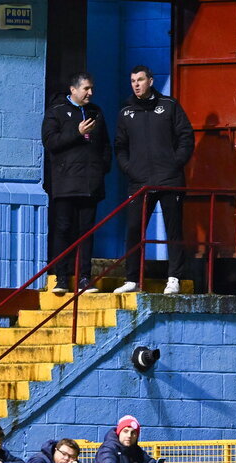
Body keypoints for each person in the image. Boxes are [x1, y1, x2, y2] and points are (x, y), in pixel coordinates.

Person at [113, 65, 195, 296]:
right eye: (132, 81)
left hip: (169, 179)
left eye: (140, 80)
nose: (136, 84)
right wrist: (129, 168)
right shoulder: (126, 111)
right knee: (133, 229)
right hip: (140, 182)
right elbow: (120, 146)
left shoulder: (169, 105)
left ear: (151, 80)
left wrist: (174, 162)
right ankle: (132, 280)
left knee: (174, 230)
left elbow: (186, 137)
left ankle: (174, 278)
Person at [41, 71, 112, 296]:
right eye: (86, 89)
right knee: (63, 229)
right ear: (73, 90)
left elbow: (105, 145)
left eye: (92, 89)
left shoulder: (96, 112)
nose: (90, 93)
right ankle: (61, 278)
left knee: (86, 232)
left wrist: (101, 169)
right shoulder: (56, 112)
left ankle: (84, 278)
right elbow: (50, 142)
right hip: (65, 184)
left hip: (90, 185)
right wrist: (77, 132)